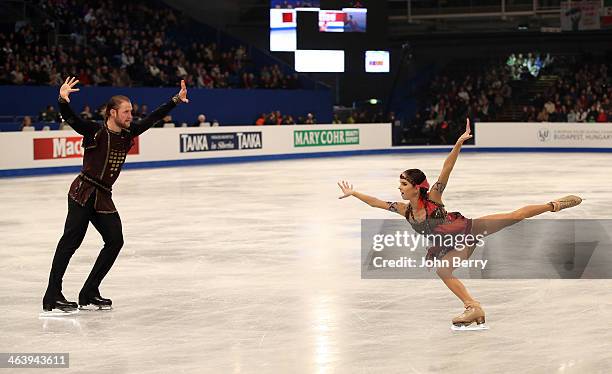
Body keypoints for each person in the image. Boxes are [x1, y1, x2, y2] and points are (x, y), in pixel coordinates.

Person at [337, 118, 582, 329]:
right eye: (399, 184)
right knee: (443, 270)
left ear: (416, 186)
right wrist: (354, 193)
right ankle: (473, 307)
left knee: (514, 216)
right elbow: (376, 203)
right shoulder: (404, 210)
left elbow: (447, 168)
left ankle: (554, 205)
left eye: (403, 184)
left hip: (467, 229)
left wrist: (458, 142)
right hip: (450, 244)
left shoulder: (433, 196)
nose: (398, 188)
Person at [42, 77, 189, 315]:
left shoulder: (128, 133)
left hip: (102, 196)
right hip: (83, 192)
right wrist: (62, 100)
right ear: (112, 113)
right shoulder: (94, 131)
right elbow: (71, 118)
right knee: (70, 242)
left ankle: (89, 292)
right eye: (126, 112)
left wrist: (175, 100)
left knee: (115, 240)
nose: (131, 116)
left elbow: (153, 117)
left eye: (131, 112)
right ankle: (52, 295)